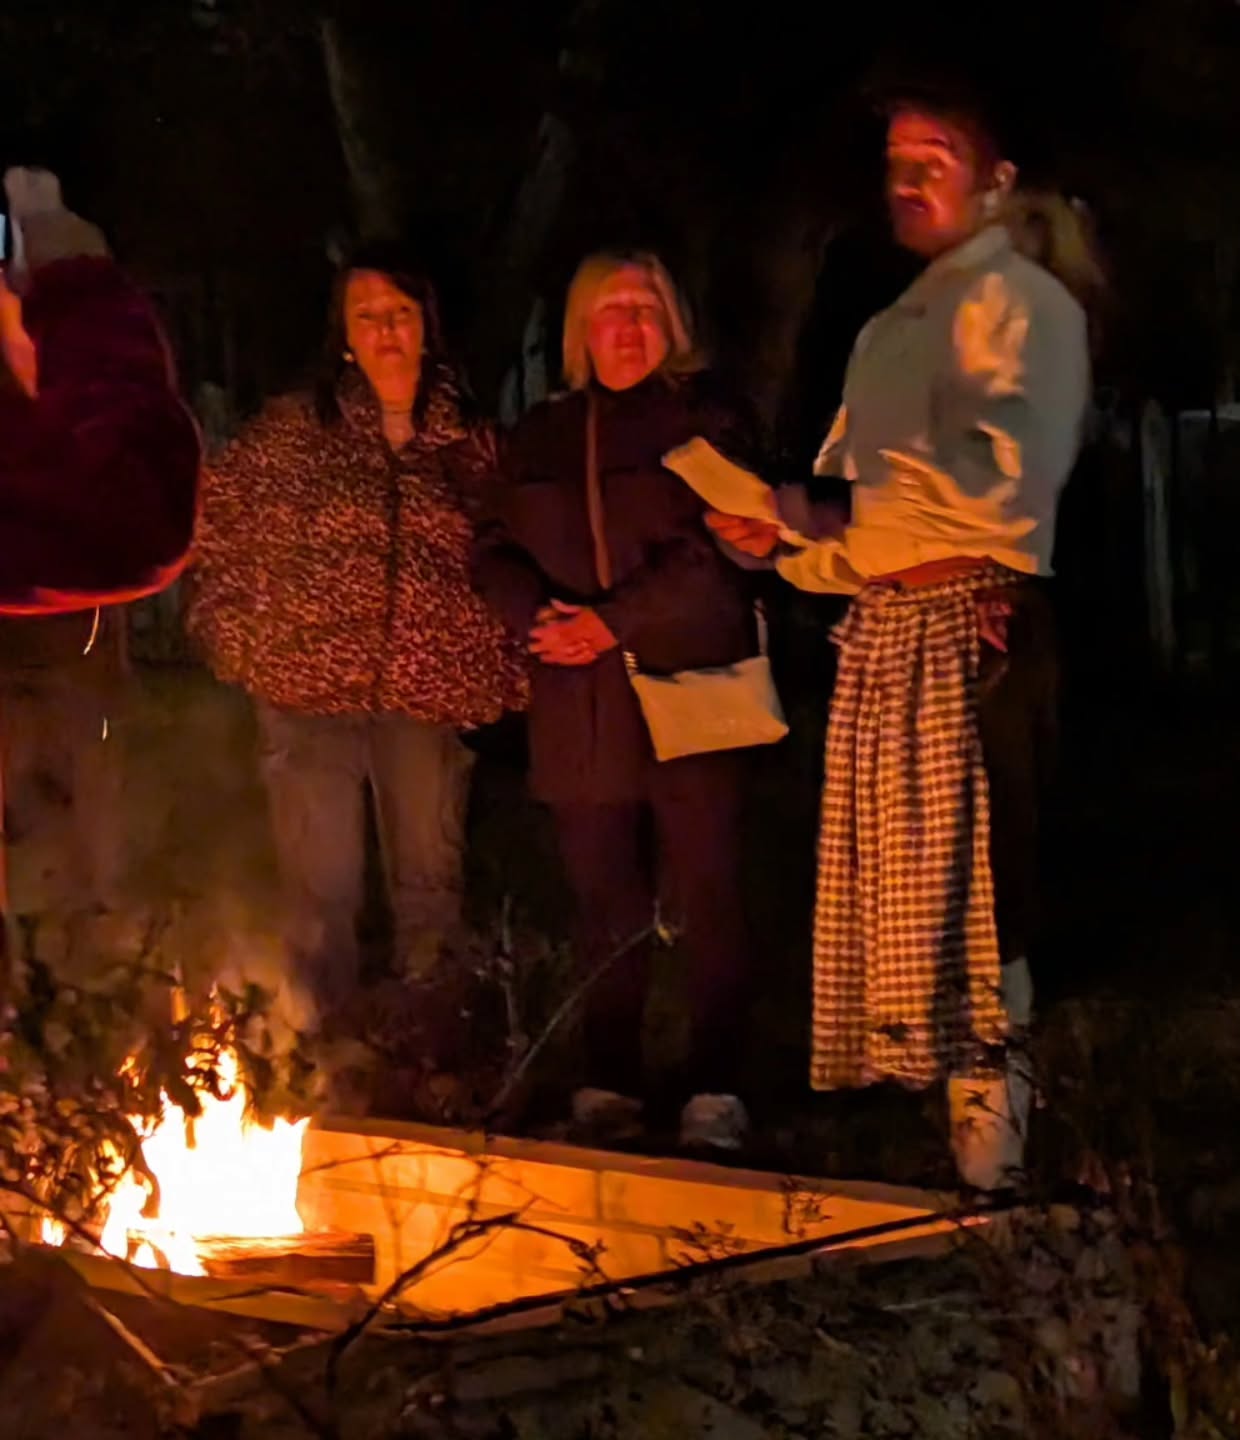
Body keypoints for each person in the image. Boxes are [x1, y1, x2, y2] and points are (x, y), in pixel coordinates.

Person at [709, 84, 1093, 1185]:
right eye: (895, 159)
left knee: (983, 895)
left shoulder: (1026, 307)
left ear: (998, 180)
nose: (908, 178)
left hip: (974, 620)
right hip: (889, 630)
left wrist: (836, 510)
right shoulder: (894, 327)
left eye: (935, 156)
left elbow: (1002, 494)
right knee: (911, 896)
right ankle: (956, 1139)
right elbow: (846, 503)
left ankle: (996, 1157)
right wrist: (784, 540)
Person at [186, 246, 527, 1027]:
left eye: (400, 314)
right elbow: (220, 527)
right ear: (342, 332)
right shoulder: (294, 432)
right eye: (367, 315)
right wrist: (235, 640)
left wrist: (505, 669)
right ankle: (320, 1056)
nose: (385, 330)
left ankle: (424, 1045)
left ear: (426, 327)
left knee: (429, 890)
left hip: (429, 695)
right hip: (306, 693)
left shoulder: (471, 444)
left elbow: (513, 552)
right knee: (317, 893)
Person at [473, 250, 759, 1152]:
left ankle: (717, 1082)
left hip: (694, 683)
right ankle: (612, 1081)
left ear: (671, 323)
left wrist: (613, 620)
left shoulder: (706, 419)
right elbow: (489, 546)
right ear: (579, 331)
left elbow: (718, 555)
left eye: (644, 309)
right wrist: (541, 620)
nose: (626, 328)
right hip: (578, 697)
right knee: (605, 900)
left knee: (708, 888)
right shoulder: (543, 434)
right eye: (608, 311)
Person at [0, 168, 200, 976]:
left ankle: (67, 1041)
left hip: (69, 669)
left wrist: (30, 317)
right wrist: (71, 277)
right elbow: (132, 513)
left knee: (81, 867)